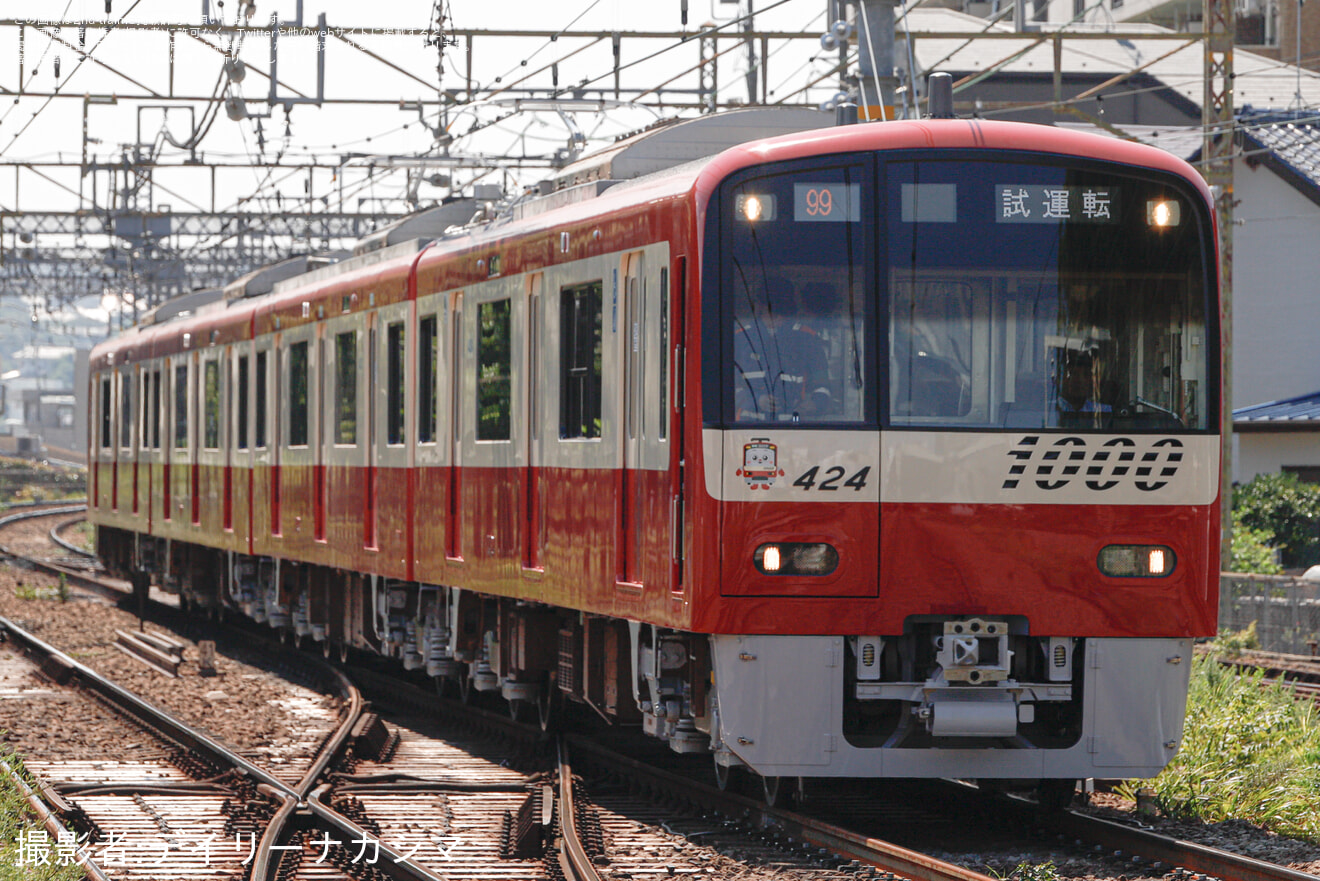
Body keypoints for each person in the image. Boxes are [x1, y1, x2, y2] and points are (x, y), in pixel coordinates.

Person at [733, 276, 831, 421]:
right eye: (771, 311)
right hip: (745, 428)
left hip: (794, 427)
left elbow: (824, 387)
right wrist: (755, 400)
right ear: (760, 308)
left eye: (782, 312)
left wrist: (815, 404)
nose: (776, 317)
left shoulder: (808, 339)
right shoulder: (740, 339)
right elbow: (723, 389)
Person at [1056, 352, 1111, 425]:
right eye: (1072, 374)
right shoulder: (1046, 412)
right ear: (1060, 378)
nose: (1079, 380)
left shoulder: (1104, 411)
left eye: (1085, 375)